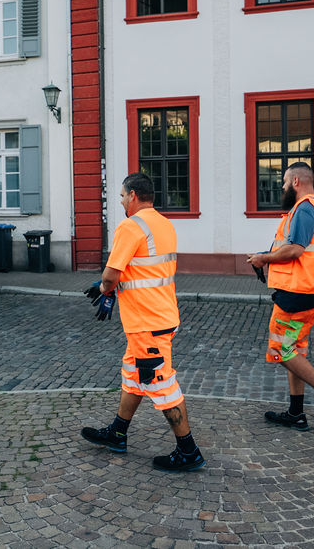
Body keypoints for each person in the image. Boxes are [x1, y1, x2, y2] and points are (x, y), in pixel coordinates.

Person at [81, 172, 205, 472]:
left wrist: (103, 288)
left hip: (147, 323)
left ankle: (188, 452)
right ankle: (118, 433)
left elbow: (112, 274)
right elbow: (144, 271)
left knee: (161, 386)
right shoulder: (164, 224)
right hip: (159, 316)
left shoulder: (131, 226)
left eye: (123, 196)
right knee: (134, 377)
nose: (122, 201)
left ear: (133, 196)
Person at [247, 162, 314, 437]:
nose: (282, 188)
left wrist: (263, 258)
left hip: (299, 295)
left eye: (284, 183)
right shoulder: (309, 207)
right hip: (303, 292)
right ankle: (296, 413)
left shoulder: (306, 207)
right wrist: (266, 256)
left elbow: (295, 250)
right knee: (294, 349)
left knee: (281, 349)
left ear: (295, 181)